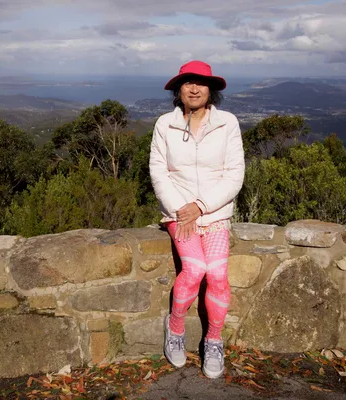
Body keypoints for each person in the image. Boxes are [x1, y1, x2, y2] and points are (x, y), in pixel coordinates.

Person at [149, 60, 245, 378]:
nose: (194, 88)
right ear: (179, 89)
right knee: (195, 269)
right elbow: (158, 173)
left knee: (217, 275)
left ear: (211, 90)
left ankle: (214, 341)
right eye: (188, 82)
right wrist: (182, 209)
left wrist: (201, 206)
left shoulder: (228, 123)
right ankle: (175, 328)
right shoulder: (165, 125)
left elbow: (234, 176)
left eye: (201, 83)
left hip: (215, 214)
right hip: (179, 214)